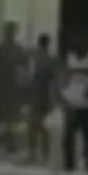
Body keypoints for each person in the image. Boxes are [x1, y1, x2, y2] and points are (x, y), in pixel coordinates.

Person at [60, 38, 88, 173]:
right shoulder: (70, 60)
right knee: (68, 137)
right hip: (71, 105)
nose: (78, 49)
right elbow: (62, 78)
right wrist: (62, 96)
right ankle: (69, 164)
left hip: (87, 106)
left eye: (81, 46)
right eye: (76, 47)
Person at [0, 21, 27, 154]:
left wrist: (22, 85)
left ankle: (8, 144)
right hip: (2, 86)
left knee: (8, 119)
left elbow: (23, 69)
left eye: (11, 31)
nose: (9, 33)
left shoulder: (15, 49)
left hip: (10, 87)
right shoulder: (2, 48)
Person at [26, 34, 57, 163]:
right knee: (44, 128)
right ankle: (45, 154)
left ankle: (32, 155)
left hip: (35, 97)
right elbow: (54, 81)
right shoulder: (51, 60)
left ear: (39, 43)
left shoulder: (35, 59)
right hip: (46, 97)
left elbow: (29, 79)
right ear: (48, 44)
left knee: (33, 128)